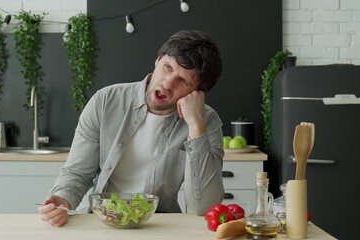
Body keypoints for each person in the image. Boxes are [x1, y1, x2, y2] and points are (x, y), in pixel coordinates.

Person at [38, 30, 225, 227]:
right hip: (100, 220)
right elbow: (78, 172)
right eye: (167, 67)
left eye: (183, 81)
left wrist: (196, 125)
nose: (168, 83)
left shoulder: (207, 121)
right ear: (158, 60)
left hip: (160, 226)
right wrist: (63, 200)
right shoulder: (105, 101)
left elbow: (204, 206)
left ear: (196, 93)